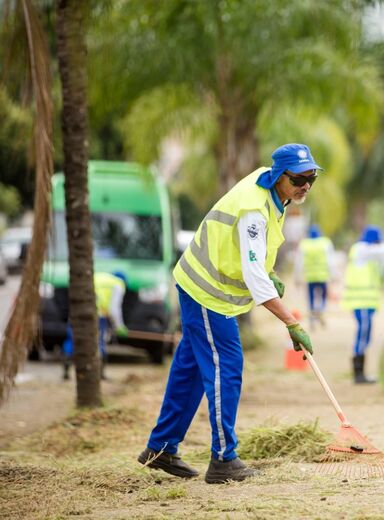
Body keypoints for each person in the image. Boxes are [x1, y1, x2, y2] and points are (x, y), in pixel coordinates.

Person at [137, 143, 320, 484]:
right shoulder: (254, 209)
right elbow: (253, 277)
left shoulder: (274, 195)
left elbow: (252, 257)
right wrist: (291, 322)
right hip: (207, 292)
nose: (305, 185)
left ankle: (160, 448)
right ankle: (223, 459)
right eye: (298, 178)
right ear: (279, 175)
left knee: (190, 368)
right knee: (227, 367)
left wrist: (272, 273)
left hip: (204, 288)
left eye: (311, 177)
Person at [341, 225, 384, 384]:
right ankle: (358, 373)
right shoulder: (361, 249)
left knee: (366, 335)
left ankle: (361, 372)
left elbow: (383, 259)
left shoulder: (370, 257)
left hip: (368, 304)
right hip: (360, 303)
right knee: (362, 335)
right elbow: (382, 251)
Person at [62, 271, 128, 381]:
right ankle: (100, 373)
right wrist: (119, 327)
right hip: (97, 315)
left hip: (76, 311)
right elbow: (114, 309)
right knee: (99, 342)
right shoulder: (118, 284)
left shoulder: (97, 276)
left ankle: (66, 368)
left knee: (73, 338)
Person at [296, 224, 333, 329]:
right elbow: (331, 261)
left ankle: (312, 317)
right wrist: (334, 275)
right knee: (323, 296)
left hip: (310, 276)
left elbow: (299, 263)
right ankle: (320, 310)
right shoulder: (325, 243)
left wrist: (297, 278)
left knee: (311, 297)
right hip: (322, 276)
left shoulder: (304, 244)